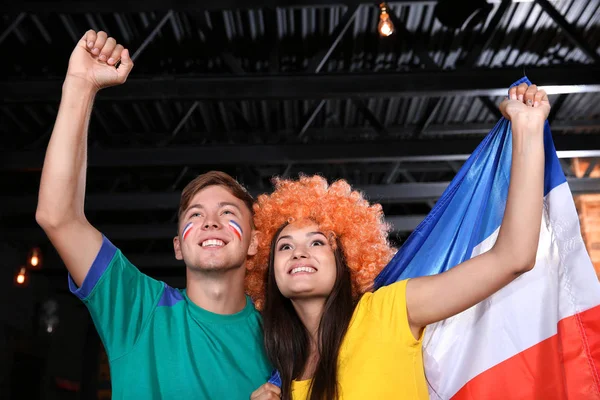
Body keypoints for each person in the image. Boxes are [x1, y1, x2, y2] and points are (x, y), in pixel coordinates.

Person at [248, 83, 550, 400]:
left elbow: (514, 257)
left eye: (317, 242)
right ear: (270, 271)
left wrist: (527, 130)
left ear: (347, 258)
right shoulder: (282, 383)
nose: (298, 253)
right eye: (284, 246)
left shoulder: (390, 310)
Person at [36, 30, 271, 399]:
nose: (211, 221)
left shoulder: (284, 338)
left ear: (256, 242)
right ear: (178, 246)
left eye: (228, 213)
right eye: (195, 215)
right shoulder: (137, 308)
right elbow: (57, 216)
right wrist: (80, 86)